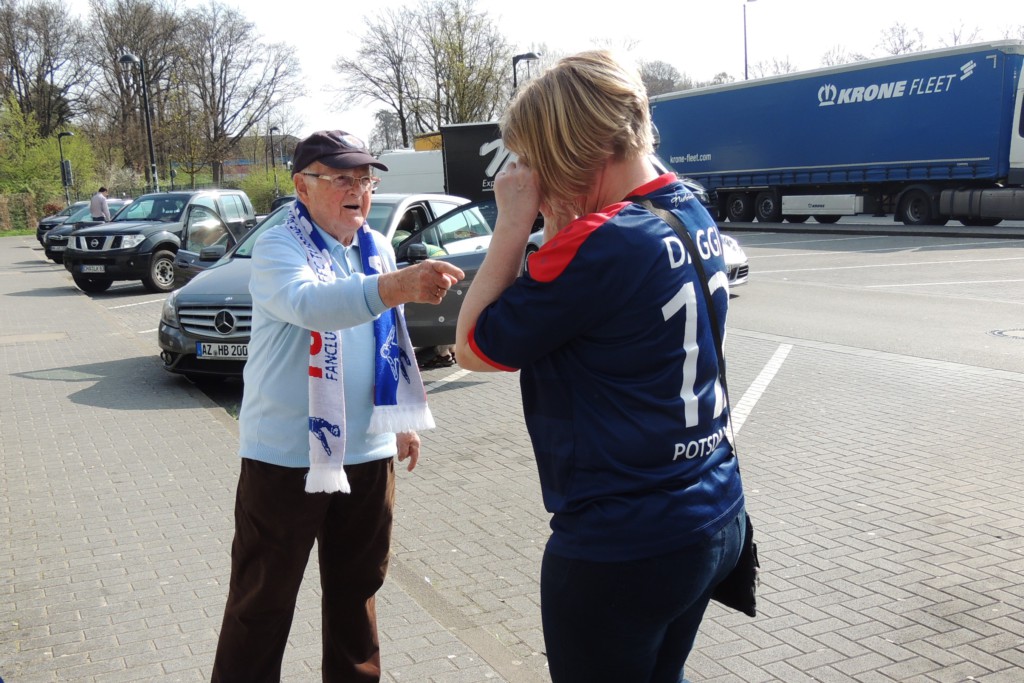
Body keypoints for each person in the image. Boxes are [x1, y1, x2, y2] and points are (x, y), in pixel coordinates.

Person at [454, 51, 747, 683]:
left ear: (575, 149)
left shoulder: (602, 240)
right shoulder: (687, 206)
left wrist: (513, 223)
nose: (536, 176)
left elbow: (472, 346)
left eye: (539, 159)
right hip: (714, 510)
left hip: (625, 543)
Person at [212, 130, 464, 682]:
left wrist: (401, 421)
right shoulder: (278, 246)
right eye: (342, 178)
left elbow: (389, 341)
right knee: (261, 602)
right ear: (302, 186)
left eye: (366, 179)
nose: (358, 190)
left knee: (357, 594)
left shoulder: (377, 248)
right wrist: (394, 287)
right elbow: (312, 305)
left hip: (368, 450)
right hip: (286, 456)